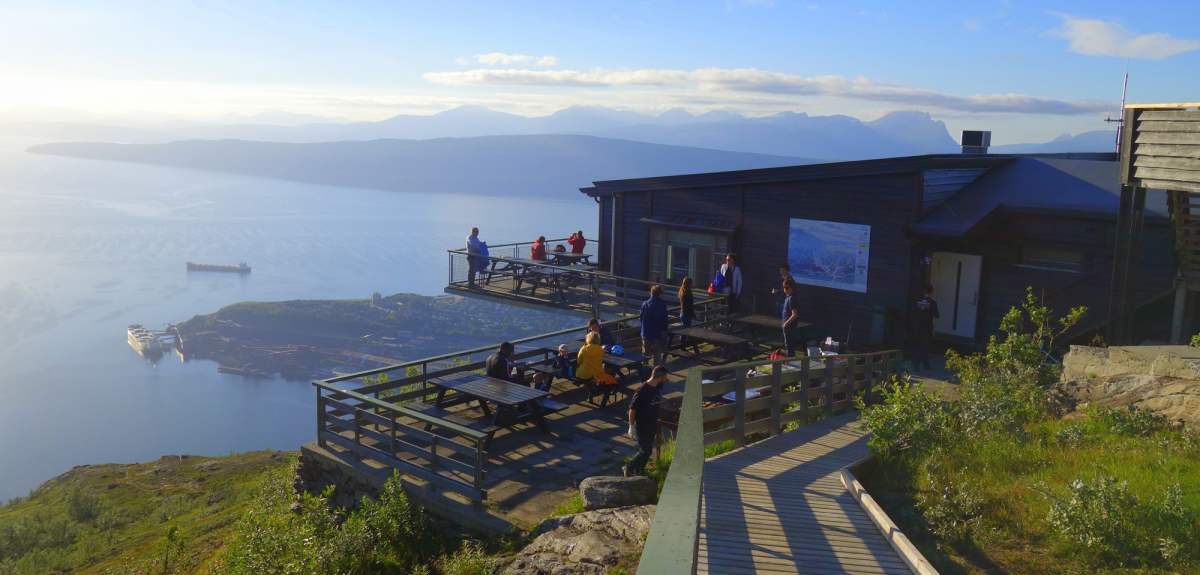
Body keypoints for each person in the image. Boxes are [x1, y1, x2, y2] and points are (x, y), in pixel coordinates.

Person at [625, 365, 667, 477]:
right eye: (665, 377)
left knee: (648, 449)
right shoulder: (642, 390)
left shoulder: (658, 387)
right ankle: (629, 466)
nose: (666, 379)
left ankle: (639, 470)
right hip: (642, 424)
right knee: (645, 450)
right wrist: (631, 426)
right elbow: (632, 409)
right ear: (660, 377)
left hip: (652, 423)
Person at [640, 284, 670, 366]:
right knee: (657, 355)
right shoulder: (662, 304)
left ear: (651, 293)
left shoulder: (645, 304)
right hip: (657, 333)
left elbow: (641, 318)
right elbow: (665, 320)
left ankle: (644, 372)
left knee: (645, 354)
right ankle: (656, 373)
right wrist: (665, 331)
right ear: (659, 294)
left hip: (646, 332)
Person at [912, 285, 940, 371]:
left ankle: (922, 364)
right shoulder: (932, 302)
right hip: (927, 327)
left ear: (924, 292)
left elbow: (915, 312)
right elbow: (937, 315)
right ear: (932, 292)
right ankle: (921, 364)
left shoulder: (919, 302)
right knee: (925, 346)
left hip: (918, 326)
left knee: (919, 345)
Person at [781, 279, 803, 357]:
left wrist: (785, 324)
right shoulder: (788, 297)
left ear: (792, 288)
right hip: (788, 326)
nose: (785, 290)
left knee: (790, 346)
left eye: (787, 288)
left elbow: (795, 314)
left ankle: (791, 363)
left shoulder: (792, 298)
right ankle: (790, 361)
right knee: (788, 346)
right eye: (784, 288)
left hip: (789, 327)